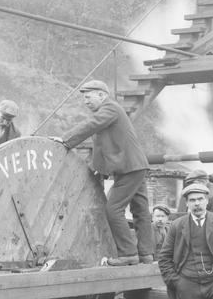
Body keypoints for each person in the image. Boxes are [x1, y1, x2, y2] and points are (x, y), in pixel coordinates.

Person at [56, 80, 153, 266]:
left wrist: (64, 140)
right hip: (135, 166)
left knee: (113, 210)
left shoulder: (110, 108)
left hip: (129, 168)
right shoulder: (109, 112)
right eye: (84, 97)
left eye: (88, 96)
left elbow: (91, 125)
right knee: (140, 210)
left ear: (102, 95)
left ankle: (128, 254)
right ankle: (146, 254)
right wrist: (97, 170)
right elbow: (100, 146)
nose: (85, 101)